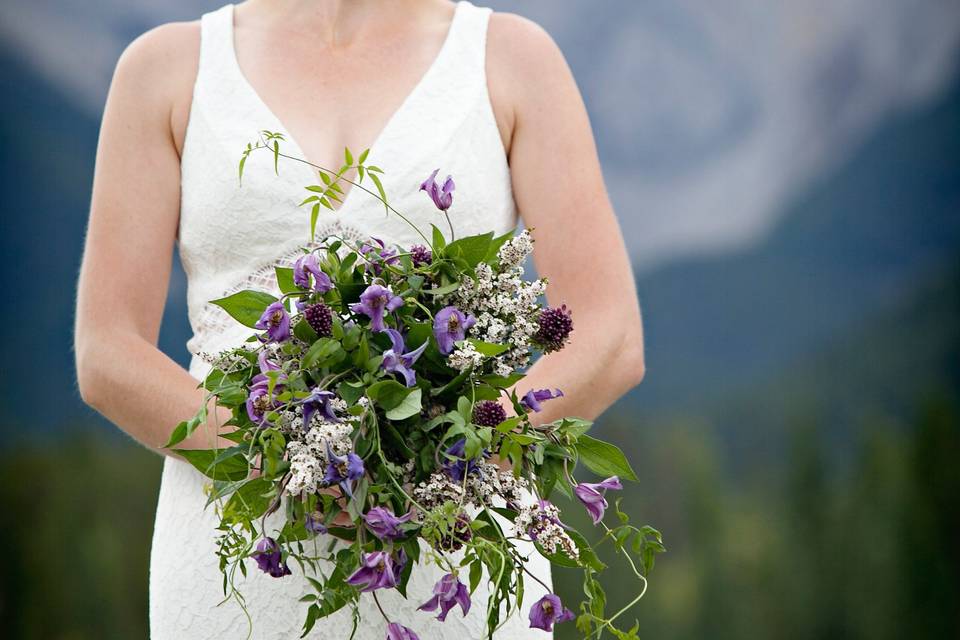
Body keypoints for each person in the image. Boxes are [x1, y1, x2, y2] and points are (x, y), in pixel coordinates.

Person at [74, 0, 646, 637]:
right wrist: (281, 464)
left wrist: (449, 460)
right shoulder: (167, 70)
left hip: (450, 545)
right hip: (238, 551)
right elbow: (108, 353)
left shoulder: (511, 59)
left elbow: (609, 335)